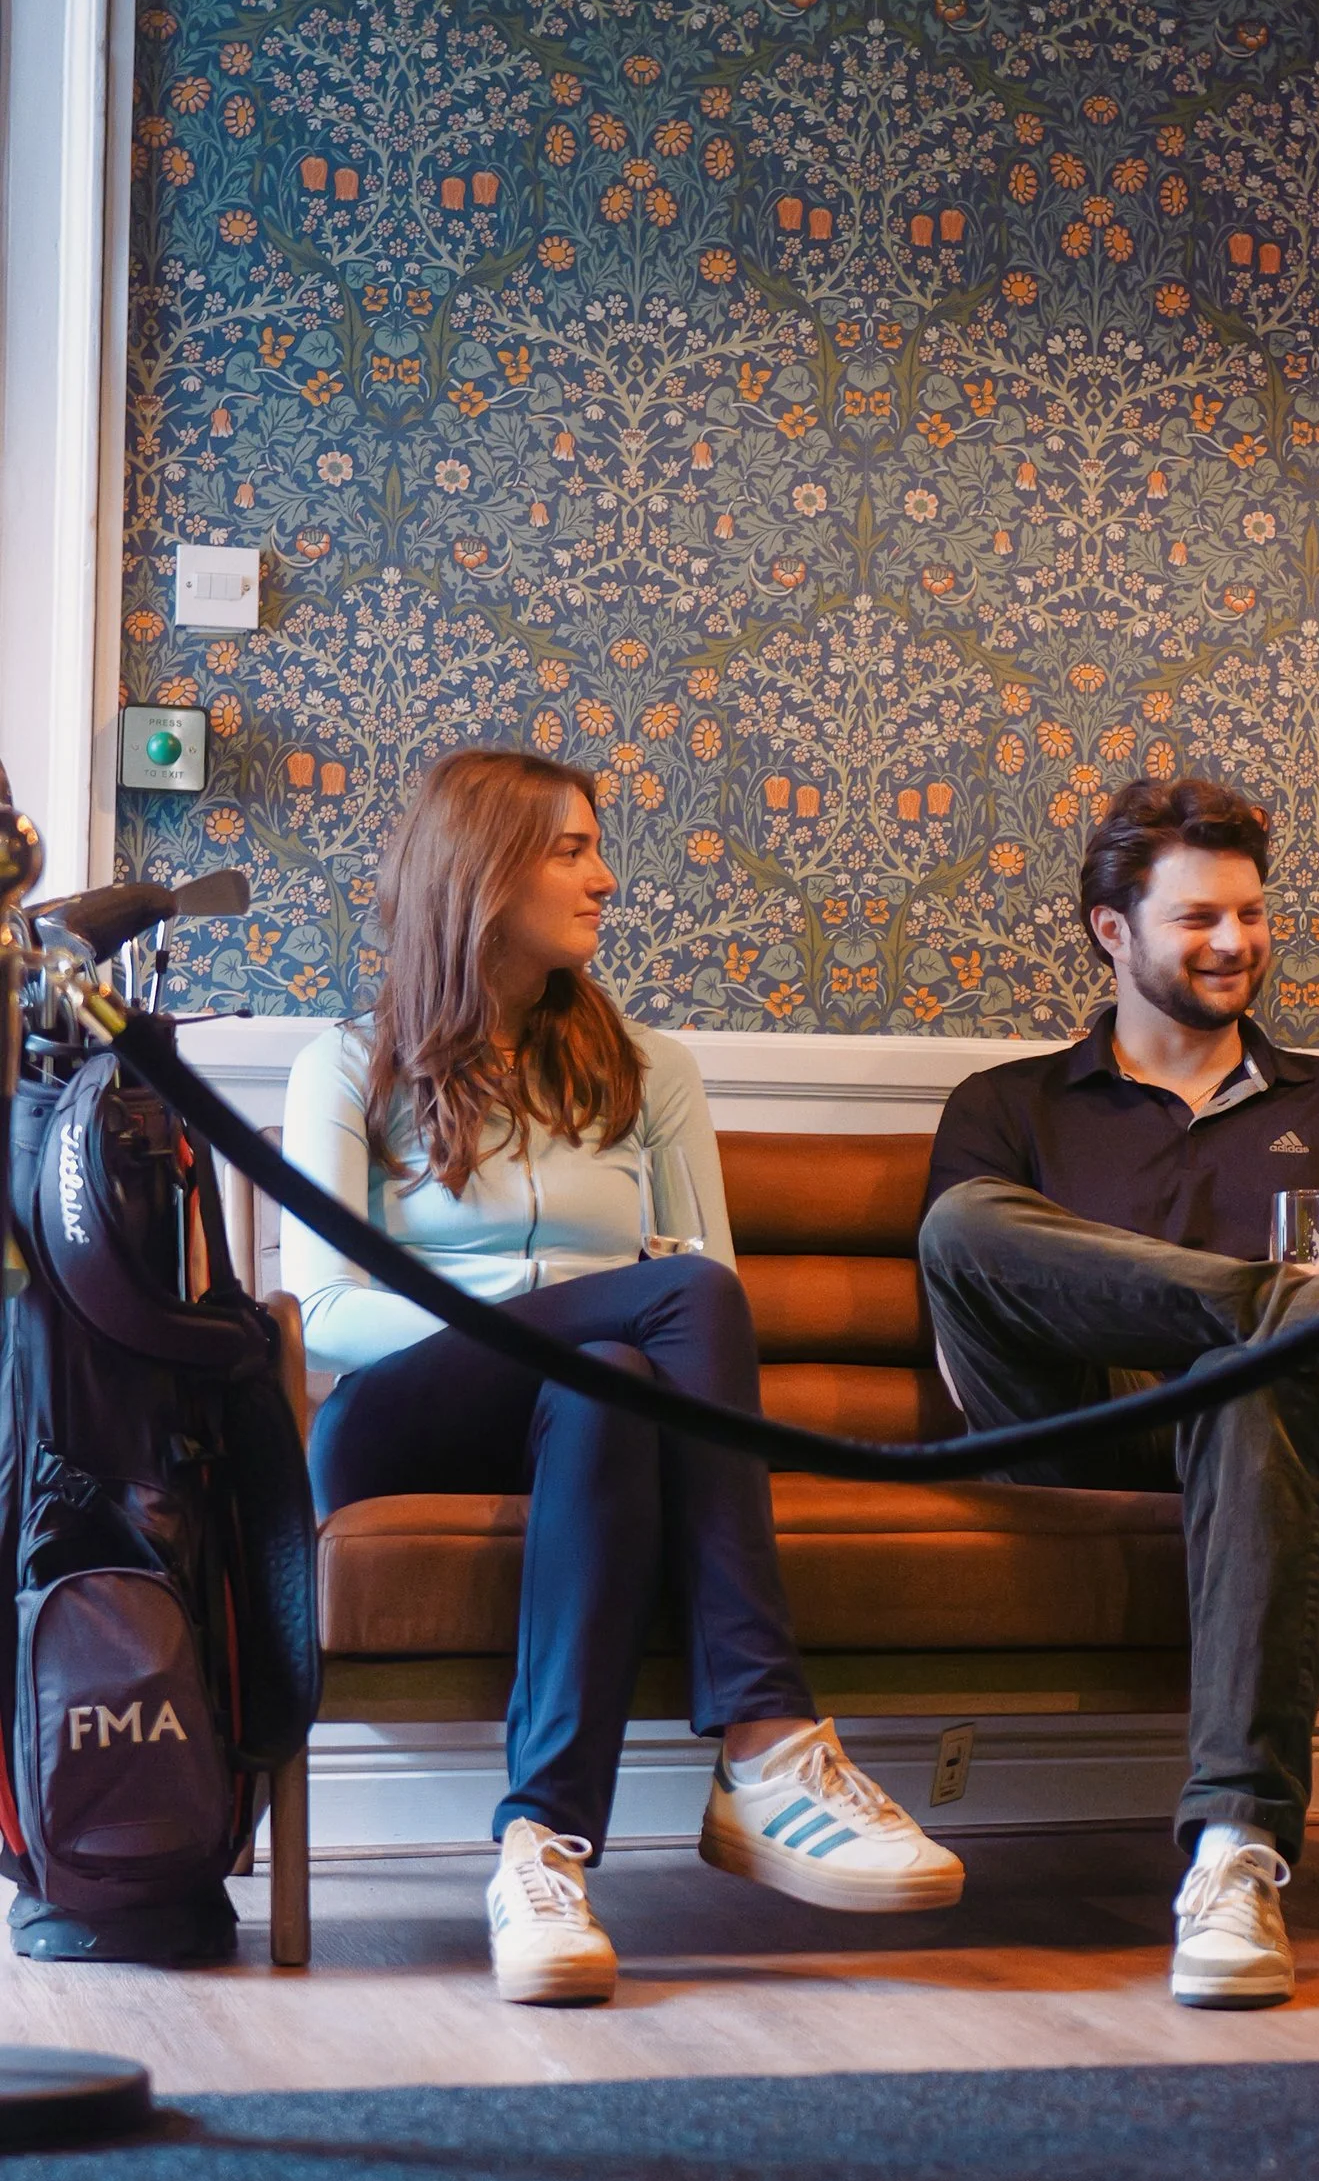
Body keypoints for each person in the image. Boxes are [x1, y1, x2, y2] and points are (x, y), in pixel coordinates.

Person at [282, 747, 962, 2007]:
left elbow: (712, 1273)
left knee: (607, 1372)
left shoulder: (649, 1069)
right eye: (570, 848)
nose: (605, 876)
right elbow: (326, 1314)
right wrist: (541, 1307)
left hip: (592, 1414)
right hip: (399, 1423)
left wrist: (588, 1323)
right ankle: (763, 1733)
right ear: (481, 872)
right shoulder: (349, 1064)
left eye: (599, 846)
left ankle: (542, 1849)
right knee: (650, 1314)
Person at [919, 775, 1319, 2011]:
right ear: (1113, 930)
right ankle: (1300, 1320)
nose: (1236, 942)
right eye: (1199, 917)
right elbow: (969, 1299)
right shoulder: (1008, 1105)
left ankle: (1235, 1854)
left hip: (1297, 1431)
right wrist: (1307, 1307)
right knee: (962, 1224)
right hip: (1079, 1424)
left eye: (1252, 914)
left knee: (1248, 1383)